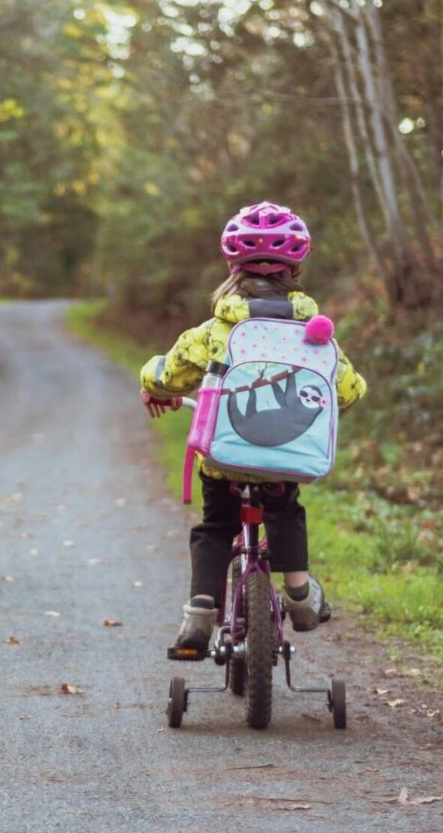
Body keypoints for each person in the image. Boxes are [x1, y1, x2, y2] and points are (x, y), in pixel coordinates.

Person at [138, 202, 367, 660]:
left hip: (223, 460)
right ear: (297, 268)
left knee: (215, 526)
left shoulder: (216, 330)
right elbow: (348, 390)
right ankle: (300, 593)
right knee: (286, 511)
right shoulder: (314, 333)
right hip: (284, 460)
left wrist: (151, 381)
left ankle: (200, 613)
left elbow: (169, 373)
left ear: (231, 265)